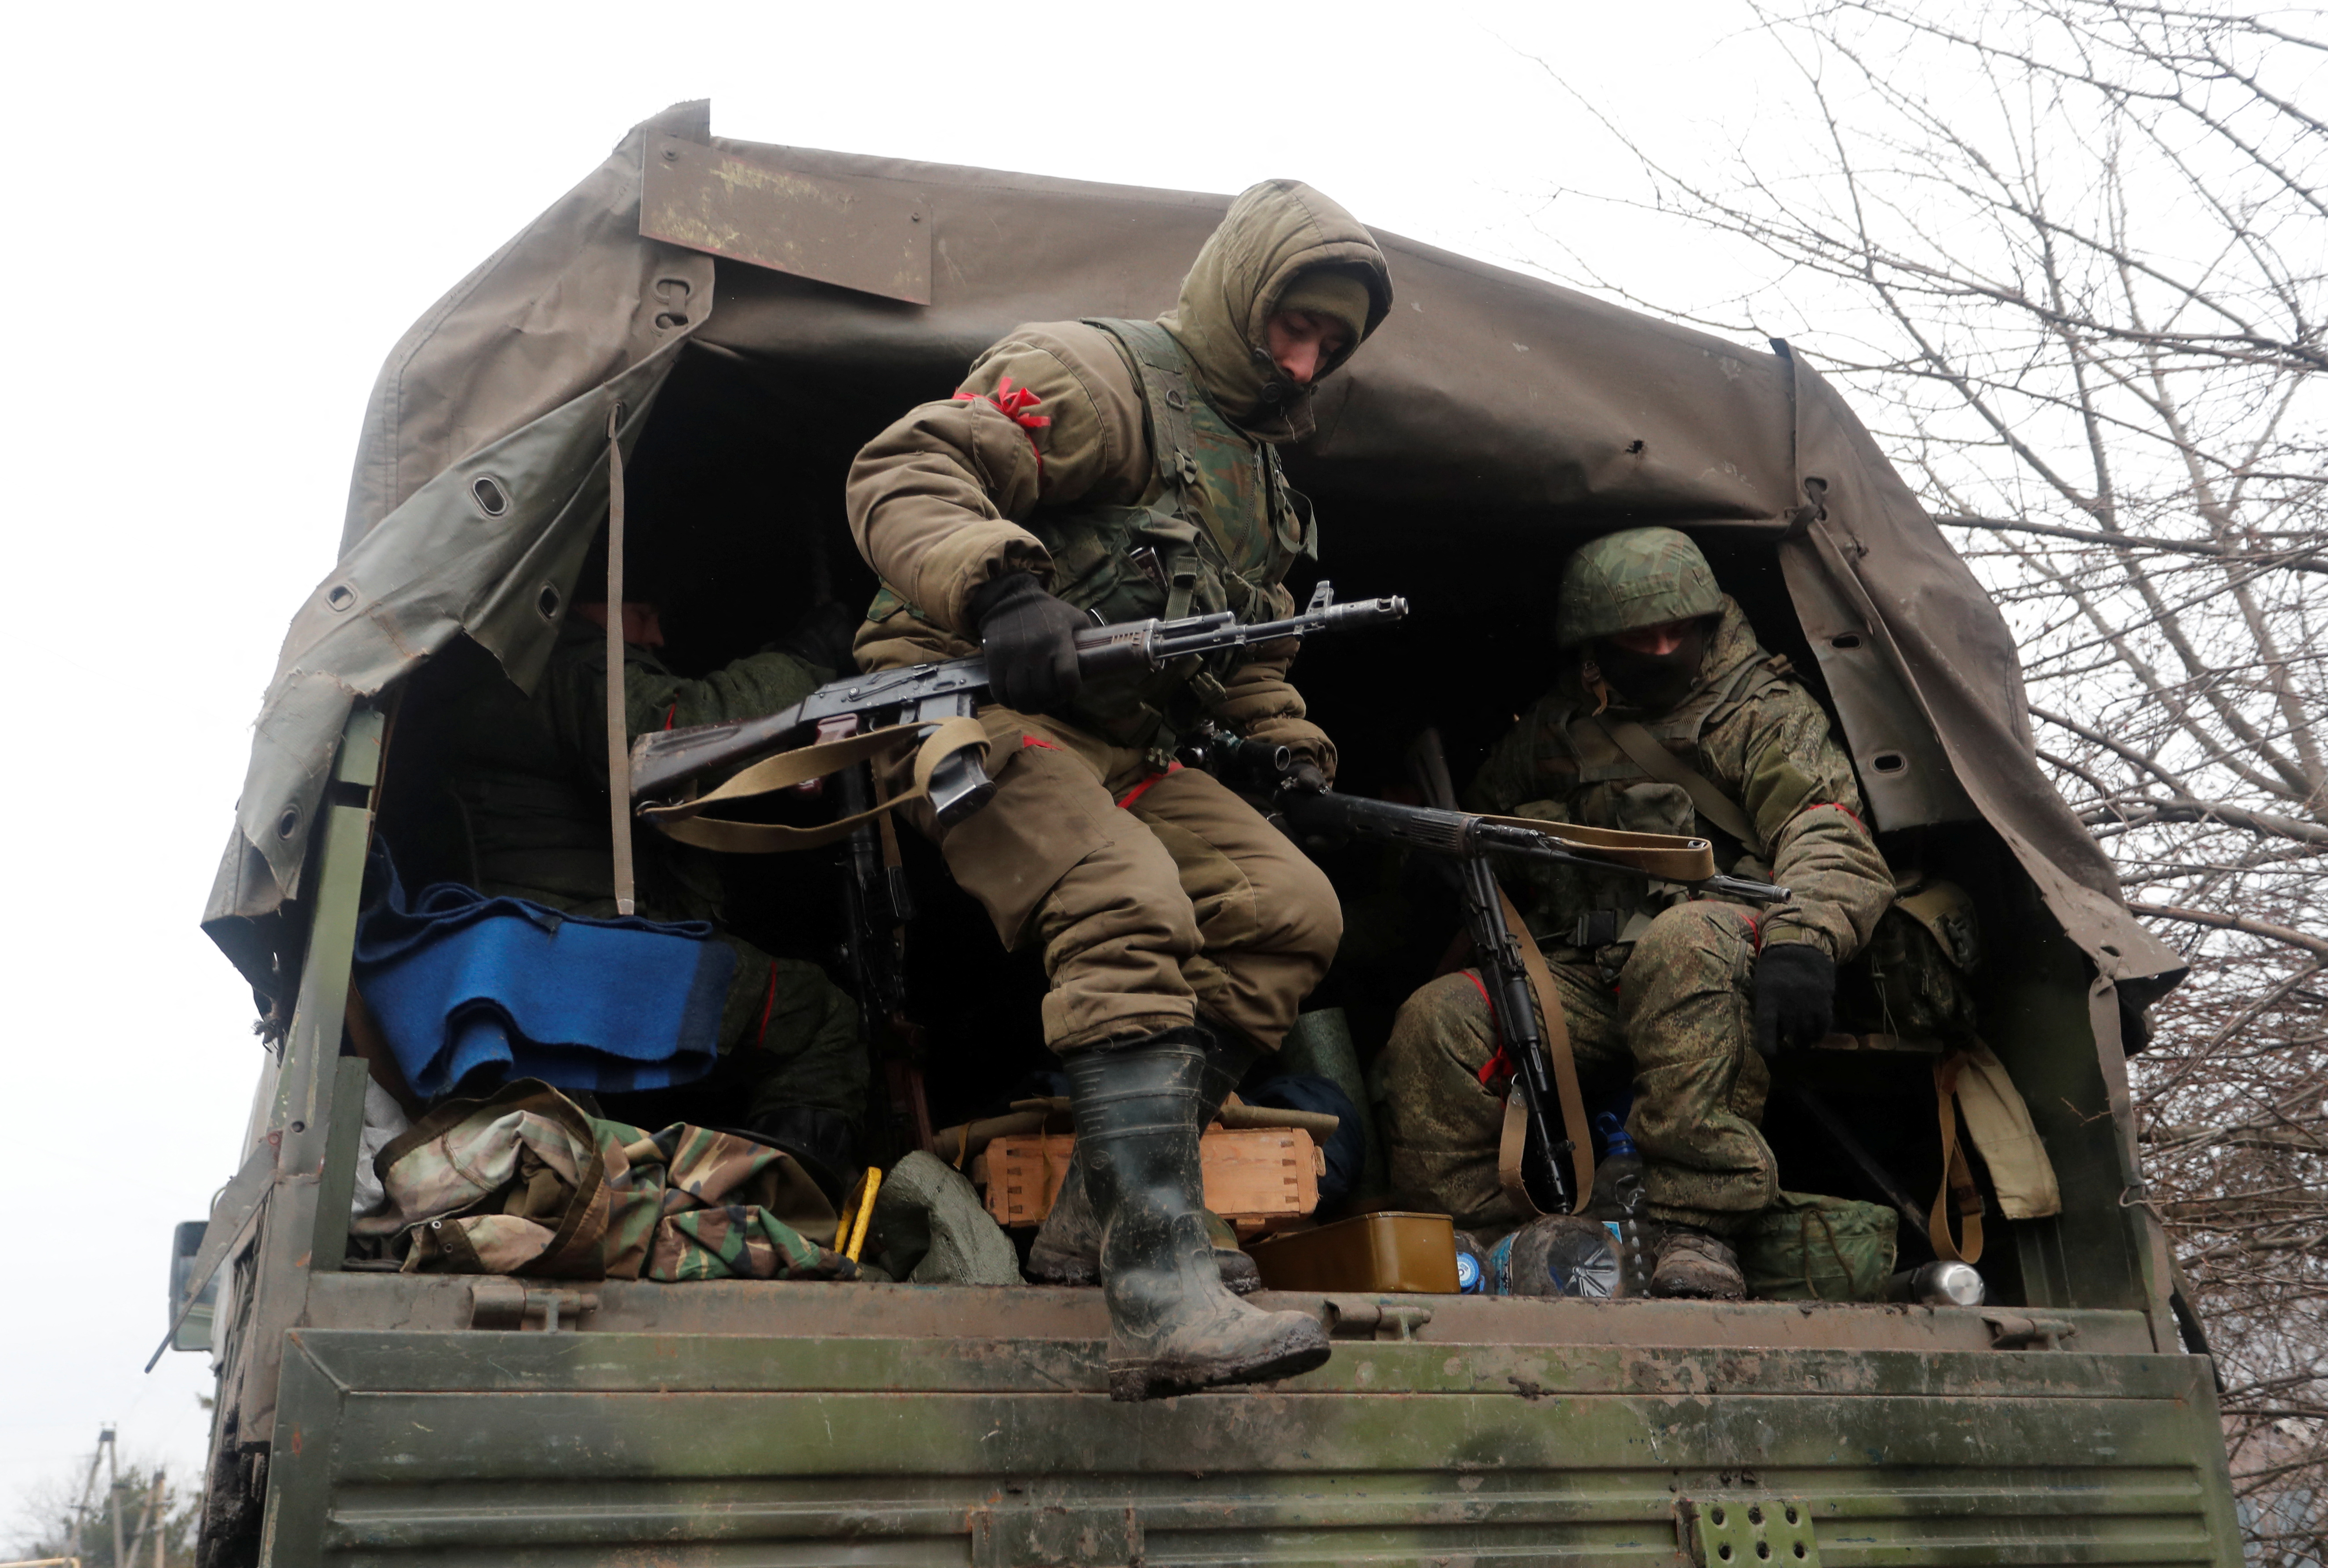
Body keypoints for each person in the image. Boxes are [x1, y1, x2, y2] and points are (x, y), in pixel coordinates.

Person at [844, 179, 1393, 1399]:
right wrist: (999, 587)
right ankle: (1157, 1290)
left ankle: (1100, 1207)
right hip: (960, 704)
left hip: (1118, 739)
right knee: (1123, 897)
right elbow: (907, 465)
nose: (1306, 361)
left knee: (1288, 907)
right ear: (1242, 293)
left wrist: (1287, 751)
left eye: (1331, 347)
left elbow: (1249, 654)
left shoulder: (1262, 481)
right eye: (1292, 325)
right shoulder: (1093, 376)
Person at [1373, 527, 1892, 1299]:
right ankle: (1492, 1251)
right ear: (1593, 644)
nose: (1658, 650)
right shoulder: (1556, 726)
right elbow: (1482, 837)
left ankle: (1696, 1231)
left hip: (1722, 955)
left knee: (1683, 943)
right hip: (1584, 976)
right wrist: (1415, 852)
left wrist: (1804, 940)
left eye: (1675, 633)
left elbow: (1829, 834)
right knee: (1439, 1019)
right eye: (1635, 638)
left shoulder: (1763, 713)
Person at [421, 585, 869, 1188]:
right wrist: (808, 655)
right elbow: (676, 732)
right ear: (583, 601)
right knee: (816, 1019)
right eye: (642, 613)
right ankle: (784, 1223)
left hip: (505, 970)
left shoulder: (482, 678)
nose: (656, 637)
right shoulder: (573, 659)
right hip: (577, 962)